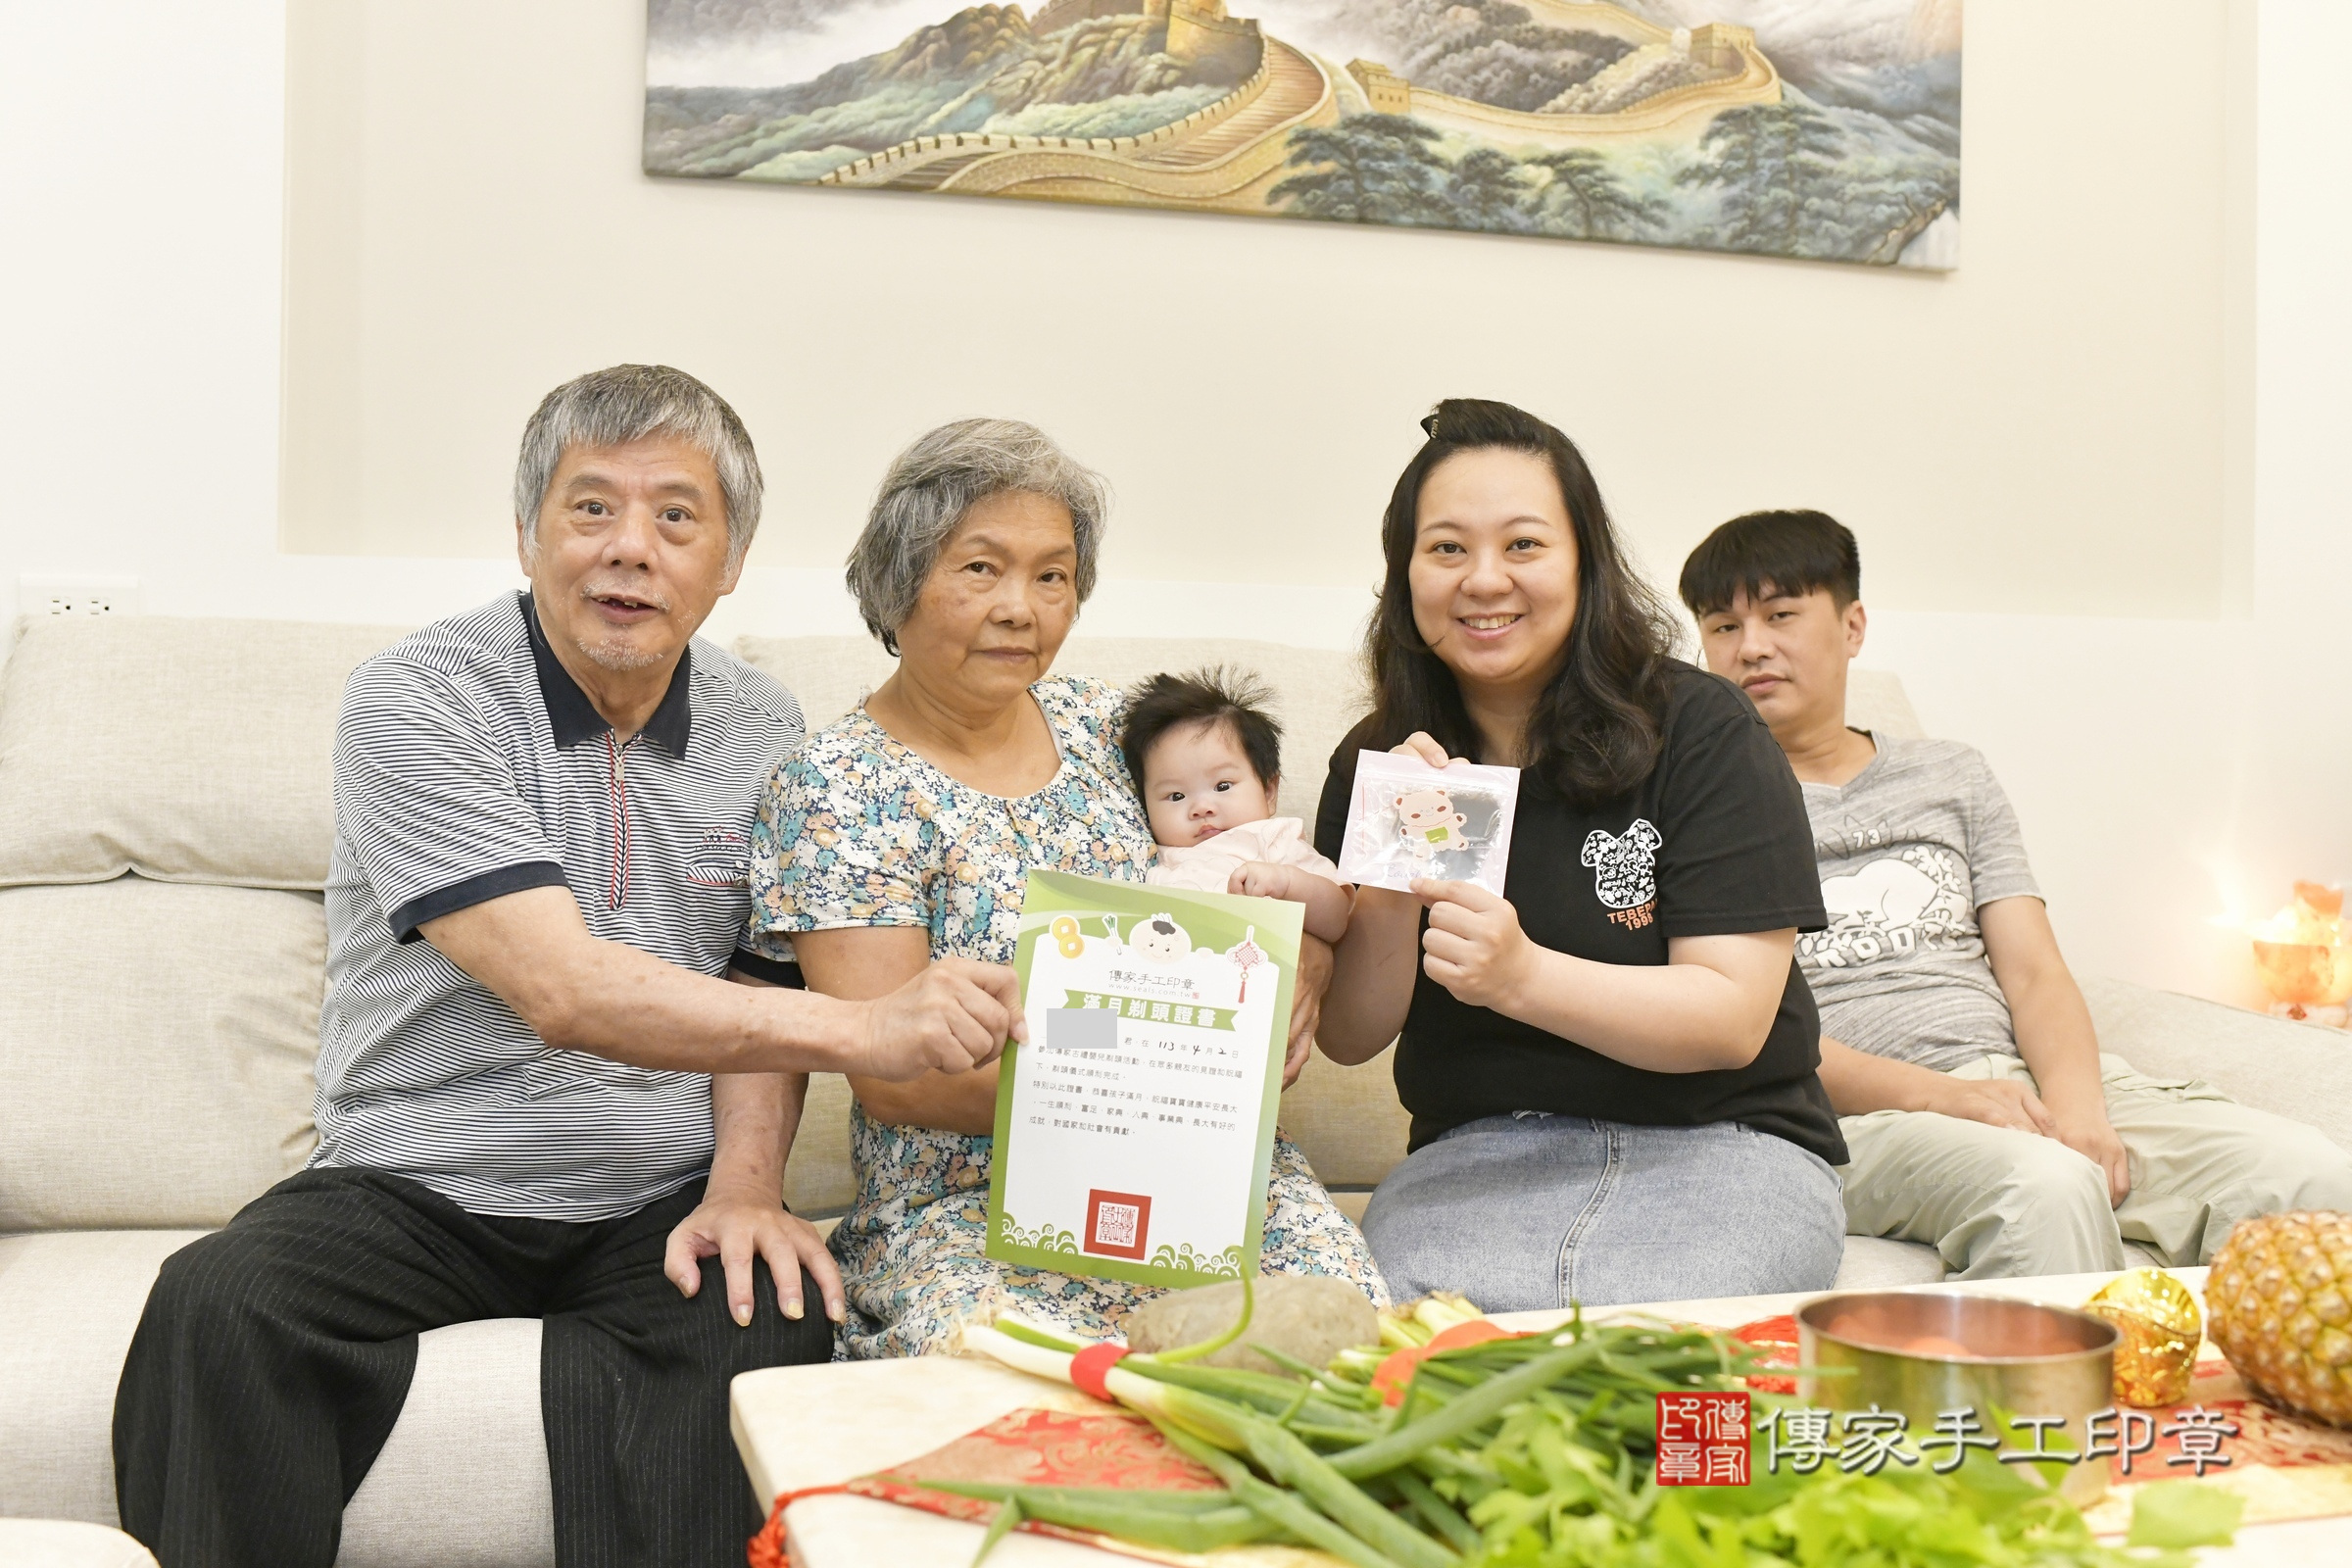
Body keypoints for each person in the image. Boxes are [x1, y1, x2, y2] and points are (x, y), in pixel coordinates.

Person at [113, 367, 1023, 1568]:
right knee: (214, 1307)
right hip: (416, 1177)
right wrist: (869, 1031)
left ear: (731, 559)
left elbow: (758, 983)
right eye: (590, 508)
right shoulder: (417, 697)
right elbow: (560, 988)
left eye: (676, 517)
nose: (629, 550)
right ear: (530, 534)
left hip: (654, 1194)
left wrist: (747, 1186)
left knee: (778, 1315)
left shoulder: (765, 728)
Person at [742, 417, 1387, 1358]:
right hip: (972, 1205)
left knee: (1350, 1358)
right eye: (981, 569)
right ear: (898, 581)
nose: (1023, 608)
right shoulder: (836, 787)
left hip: (1203, 1174)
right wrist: (1181, 1074)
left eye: (1053, 576)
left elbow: (1260, 859)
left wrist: (1315, 958)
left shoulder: (1117, 730)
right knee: (1043, 1396)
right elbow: (899, 1078)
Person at [1682, 508, 2352, 1277]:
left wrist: (2080, 1113)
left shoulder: (1951, 775)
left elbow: (2034, 972)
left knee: (2310, 1175)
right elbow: (1743, 1028)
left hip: (2015, 1075)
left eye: (1781, 614)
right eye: (1723, 626)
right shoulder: (1700, 803)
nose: (1752, 645)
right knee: (2049, 1187)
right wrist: (1945, 1098)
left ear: (1852, 625)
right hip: (1847, 1113)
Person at [1313, 399, 1848, 1312]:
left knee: (1648, 1351)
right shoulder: (1386, 757)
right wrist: (1396, 885)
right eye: (1447, 549)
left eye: (1523, 546)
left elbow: (1730, 1018)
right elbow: (1352, 1035)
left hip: (1727, 1144)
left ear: (1583, 563)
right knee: (1423, 1356)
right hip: (1474, 1158)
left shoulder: (1701, 727)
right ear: (1405, 576)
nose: (1484, 580)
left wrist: (1521, 975)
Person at [1124, 666, 1353, 944]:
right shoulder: (1151, 859)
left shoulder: (1273, 842)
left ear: (1269, 792)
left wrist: (1288, 884)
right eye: (1176, 796)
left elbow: (1339, 920)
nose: (1201, 808)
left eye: (1222, 786)